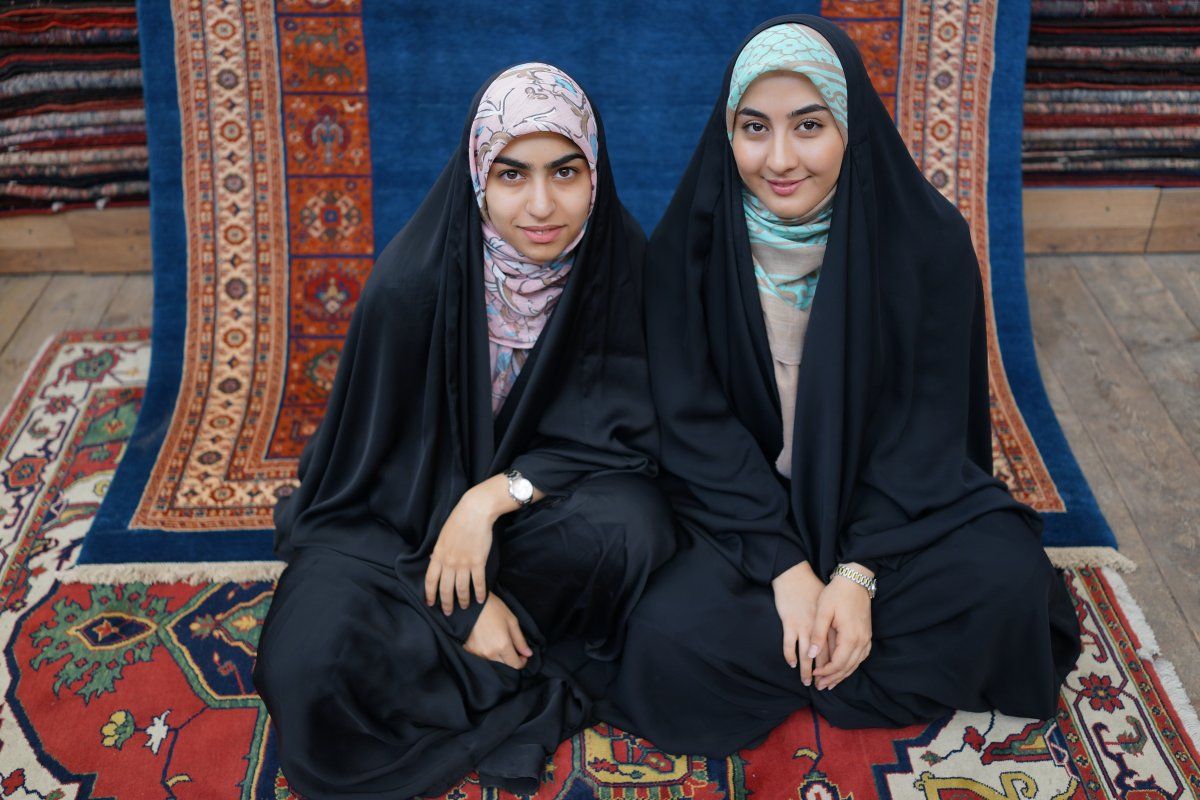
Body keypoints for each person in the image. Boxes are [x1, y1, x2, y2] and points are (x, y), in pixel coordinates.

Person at [594, 16, 1082, 756]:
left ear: (849, 125)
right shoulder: (685, 252)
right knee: (662, 633)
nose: (780, 158)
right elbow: (693, 428)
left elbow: (926, 430)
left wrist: (857, 574)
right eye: (754, 128)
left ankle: (796, 659)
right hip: (742, 522)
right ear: (727, 133)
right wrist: (787, 569)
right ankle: (840, 657)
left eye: (809, 126)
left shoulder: (928, 245)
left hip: (886, 515)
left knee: (1009, 585)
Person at [252, 63, 676, 798]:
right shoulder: (411, 286)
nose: (541, 205)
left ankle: (481, 645)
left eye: (565, 172)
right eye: (512, 175)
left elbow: (629, 436)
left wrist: (491, 499)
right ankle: (499, 650)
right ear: (479, 173)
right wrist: (462, 605)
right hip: (399, 539)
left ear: (595, 174)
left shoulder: (623, 270)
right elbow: (366, 485)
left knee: (634, 527)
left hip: (533, 526)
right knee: (305, 669)